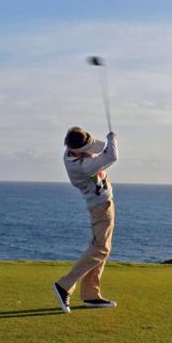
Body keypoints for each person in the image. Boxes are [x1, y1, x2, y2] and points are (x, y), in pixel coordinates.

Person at [52, 127, 119, 313]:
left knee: (102, 249)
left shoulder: (72, 150)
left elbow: (98, 147)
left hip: (102, 205)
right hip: (101, 207)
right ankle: (64, 285)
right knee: (101, 248)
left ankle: (91, 294)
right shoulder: (83, 166)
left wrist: (101, 141)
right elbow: (112, 155)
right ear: (80, 150)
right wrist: (113, 138)